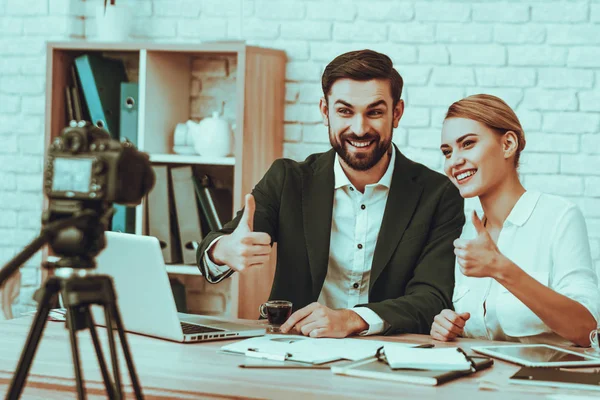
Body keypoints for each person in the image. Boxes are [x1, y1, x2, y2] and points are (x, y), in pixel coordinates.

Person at [196, 49, 465, 338]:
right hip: (295, 347)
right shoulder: (288, 180)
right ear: (325, 111)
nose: (359, 129)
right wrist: (224, 249)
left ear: (396, 113)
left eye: (374, 112)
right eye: (345, 111)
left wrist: (352, 319)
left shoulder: (438, 194)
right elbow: (213, 246)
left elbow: (432, 297)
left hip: (389, 353)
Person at [432, 94, 600, 347]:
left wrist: (501, 268)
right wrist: (448, 325)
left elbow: (587, 329)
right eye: (447, 152)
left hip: (546, 382)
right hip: (482, 382)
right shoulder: (468, 233)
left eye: (467, 144)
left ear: (508, 144)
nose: (454, 161)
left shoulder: (559, 217)